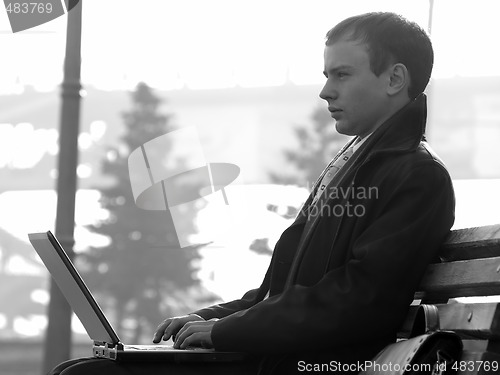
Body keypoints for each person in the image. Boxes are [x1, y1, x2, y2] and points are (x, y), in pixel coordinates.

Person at [49, 11, 455, 375]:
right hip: (277, 358)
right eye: (327, 74)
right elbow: (274, 294)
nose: (325, 91)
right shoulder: (354, 166)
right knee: (84, 369)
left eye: (342, 74)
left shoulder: (417, 176)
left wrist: (225, 332)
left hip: (307, 364)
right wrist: (207, 319)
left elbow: (359, 300)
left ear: (394, 79)